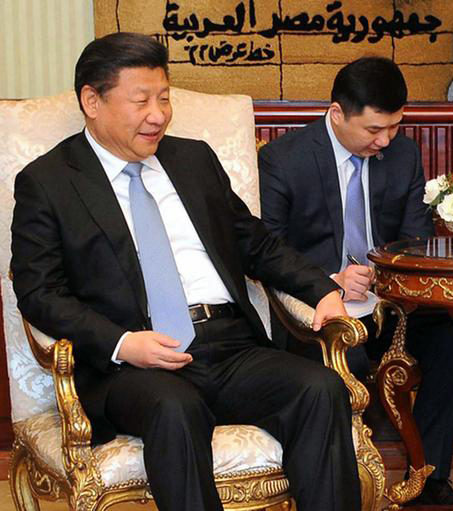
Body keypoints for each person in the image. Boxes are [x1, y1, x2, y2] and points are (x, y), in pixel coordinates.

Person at [11, 32, 361, 511]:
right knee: (175, 408)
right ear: (92, 101)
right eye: (141, 101)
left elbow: (256, 244)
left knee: (320, 388)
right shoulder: (48, 182)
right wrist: (122, 343)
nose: (158, 114)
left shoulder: (193, 160)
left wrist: (322, 290)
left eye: (164, 97)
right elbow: (39, 292)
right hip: (133, 363)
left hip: (229, 345)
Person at [258, 56, 453, 506]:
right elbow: (268, 249)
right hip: (318, 310)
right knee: (346, 362)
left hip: (389, 304)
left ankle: (427, 480)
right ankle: (342, 487)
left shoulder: (403, 154)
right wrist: (328, 281)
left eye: (394, 126)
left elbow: (417, 238)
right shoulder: (285, 159)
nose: (385, 140)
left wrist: (387, 274)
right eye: (374, 129)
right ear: (338, 113)